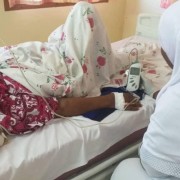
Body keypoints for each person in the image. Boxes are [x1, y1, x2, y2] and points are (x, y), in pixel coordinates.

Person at [0, 1, 141, 145]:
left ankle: (113, 59)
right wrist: (114, 100)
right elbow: (60, 107)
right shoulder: (9, 107)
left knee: (67, 30)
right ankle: (114, 62)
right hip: (65, 69)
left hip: (46, 54)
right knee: (84, 10)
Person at [111, 1, 180, 180]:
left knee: (125, 167)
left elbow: (154, 163)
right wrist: (152, 89)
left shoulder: (173, 99)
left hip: (159, 167)